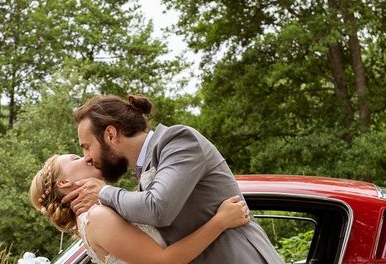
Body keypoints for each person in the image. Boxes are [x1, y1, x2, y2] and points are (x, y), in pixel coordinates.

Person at [62, 94, 283, 263]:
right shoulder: (143, 176)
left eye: (86, 147)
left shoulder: (179, 141)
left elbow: (158, 208)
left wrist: (102, 192)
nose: (87, 158)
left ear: (111, 134)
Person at [30, 153, 251, 264]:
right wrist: (220, 221)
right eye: (76, 158)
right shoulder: (96, 217)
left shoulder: (100, 212)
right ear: (64, 183)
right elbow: (164, 260)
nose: (87, 156)